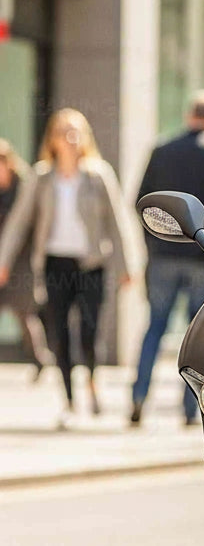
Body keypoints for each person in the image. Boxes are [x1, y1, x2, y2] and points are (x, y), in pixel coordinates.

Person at [0, 110, 130, 427]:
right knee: (60, 333)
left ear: (85, 136)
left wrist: (128, 265)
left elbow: (117, 222)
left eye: (76, 131)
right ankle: (70, 400)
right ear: (53, 139)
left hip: (91, 264)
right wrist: (3, 260)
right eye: (64, 132)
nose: (70, 137)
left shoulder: (98, 175)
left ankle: (93, 383)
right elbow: (19, 223)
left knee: (89, 330)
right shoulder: (43, 178)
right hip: (55, 263)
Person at [129, 90, 204, 426]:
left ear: (189, 115)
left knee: (154, 327)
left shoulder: (162, 151)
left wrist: (152, 246)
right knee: (197, 338)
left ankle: (138, 397)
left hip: (163, 257)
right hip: (201, 257)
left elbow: (141, 200)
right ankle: (190, 408)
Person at [0, 140, 51, 378]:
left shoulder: (25, 186)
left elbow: (27, 226)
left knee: (25, 315)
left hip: (21, 262)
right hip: (2, 259)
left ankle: (40, 359)